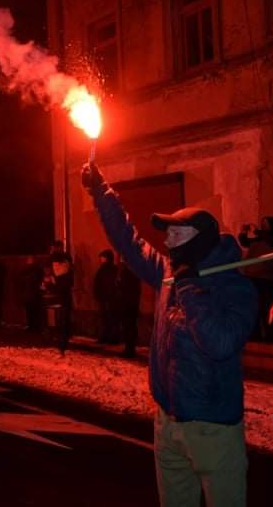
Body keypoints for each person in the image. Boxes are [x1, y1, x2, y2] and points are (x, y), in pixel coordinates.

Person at [82, 163, 256, 507]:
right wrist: (101, 192)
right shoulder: (168, 272)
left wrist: (190, 289)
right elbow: (128, 242)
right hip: (168, 422)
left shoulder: (234, 287)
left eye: (176, 233)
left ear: (198, 240)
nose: (166, 240)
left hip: (213, 429)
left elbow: (220, 343)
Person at [239, 217, 273, 341]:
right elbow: (244, 241)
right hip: (253, 278)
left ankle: (271, 335)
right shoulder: (259, 239)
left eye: (266, 224)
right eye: (262, 224)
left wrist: (258, 232)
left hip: (266, 279)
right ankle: (256, 334)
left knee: (266, 308)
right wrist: (243, 232)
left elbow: (271, 241)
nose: (263, 226)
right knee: (254, 307)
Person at [50, 251, 74, 355]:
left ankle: (62, 345)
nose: (54, 267)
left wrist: (52, 284)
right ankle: (63, 343)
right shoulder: (66, 272)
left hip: (62, 301)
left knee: (62, 322)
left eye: (55, 264)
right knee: (62, 322)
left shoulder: (62, 274)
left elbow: (60, 289)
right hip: (64, 300)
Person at [117, 256, 141, 358]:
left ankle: (129, 349)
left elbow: (126, 286)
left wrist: (119, 284)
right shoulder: (133, 271)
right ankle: (129, 348)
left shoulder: (129, 272)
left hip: (128, 303)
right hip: (131, 302)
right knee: (130, 326)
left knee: (129, 326)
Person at [93, 249, 119, 344]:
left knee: (111, 318)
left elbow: (115, 284)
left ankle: (112, 337)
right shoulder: (102, 270)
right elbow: (97, 283)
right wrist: (98, 294)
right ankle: (106, 336)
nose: (101, 259)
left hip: (111, 299)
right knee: (105, 318)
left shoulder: (112, 270)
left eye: (103, 258)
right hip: (104, 298)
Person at [19, 256, 44, 332]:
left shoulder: (36, 269)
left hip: (33, 293)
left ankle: (34, 326)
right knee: (30, 310)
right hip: (29, 293)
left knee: (33, 310)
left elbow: (35, 280)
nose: (28, 261)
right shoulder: (28, 270)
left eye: (30, 260)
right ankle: (31, 326)